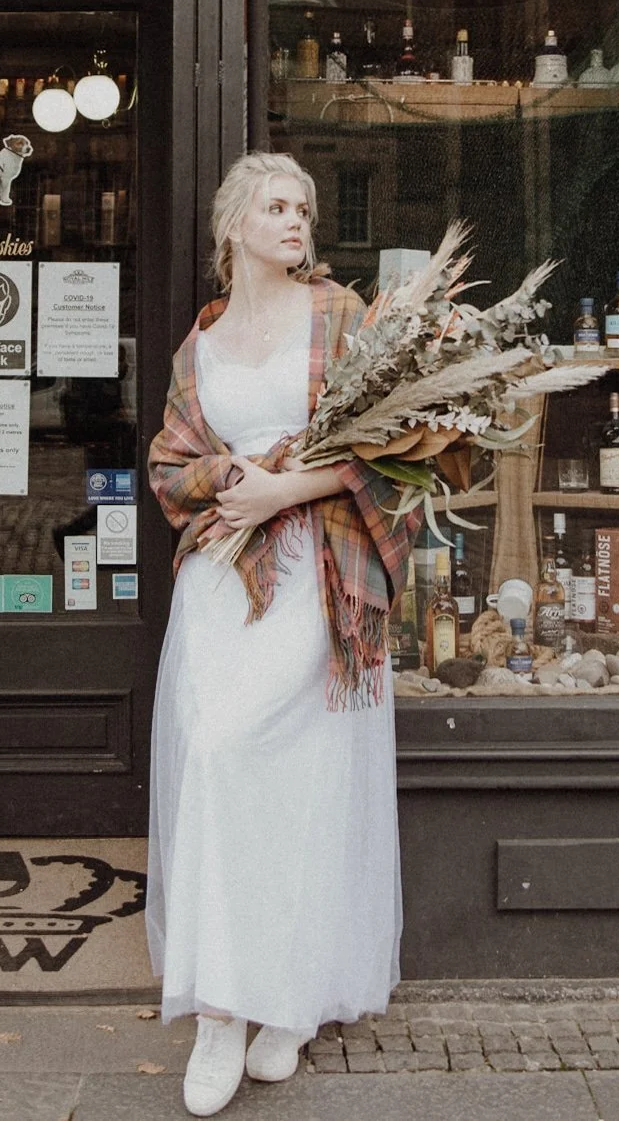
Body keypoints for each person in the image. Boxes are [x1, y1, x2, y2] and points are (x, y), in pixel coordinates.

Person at [146, 151, 418, 1117]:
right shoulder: (204, 339)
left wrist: (282, 487)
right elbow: (171, 461)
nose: (297, 218)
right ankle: (225, 1008)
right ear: (235, 228)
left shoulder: (342, 318)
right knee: (218, 772)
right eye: (276, 205)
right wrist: (229, 483)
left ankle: (288, 1000)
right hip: (221, 588)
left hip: (318, 578)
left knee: (285, 778)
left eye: (303, 205)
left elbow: (406, 453)